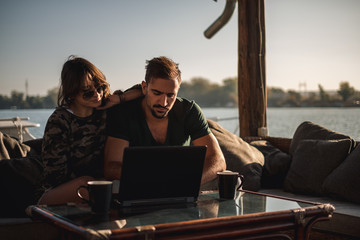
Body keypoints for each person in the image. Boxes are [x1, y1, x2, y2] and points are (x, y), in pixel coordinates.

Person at [104, 56, 226, 185]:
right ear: (144, 88)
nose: (163, 103)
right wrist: (158, 177)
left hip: (182, 184)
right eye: (156, 93)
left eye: (170, 95)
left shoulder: (189, 111)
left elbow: (218, 160)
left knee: (231, 180)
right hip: (140, 183)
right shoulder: (124, 114)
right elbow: (112, 167)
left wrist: (187, 182)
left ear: (177, 90)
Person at [38, 56, 142, 205]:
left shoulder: (105, 108)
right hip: (59, 191)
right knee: (89, 184)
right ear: (72, 93)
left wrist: (120, 99)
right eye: (87, 92)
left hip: (102, 185)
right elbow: (55, 176)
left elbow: (143, 89)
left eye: (99, 87)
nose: (97, 95)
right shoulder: (59, 121)